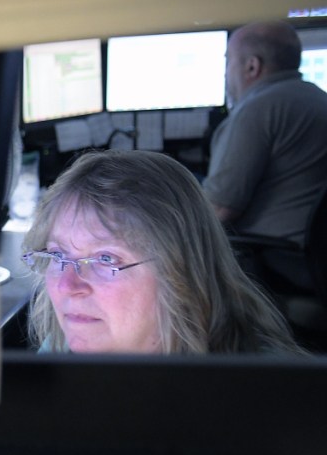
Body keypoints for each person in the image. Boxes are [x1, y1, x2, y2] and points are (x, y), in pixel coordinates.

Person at [20, 149, 306, 355]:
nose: (66, 286)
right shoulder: (61, 347)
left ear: (179, 273)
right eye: (58, 255)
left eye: (105, 259)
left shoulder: (271, 401)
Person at [203, 20, 327, 290]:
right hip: (313, 261)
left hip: (277, 264)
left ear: (251, 66)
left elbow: (220, 208)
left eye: (228, 63)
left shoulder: (257, 110)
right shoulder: (320, 100)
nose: (225, 75)